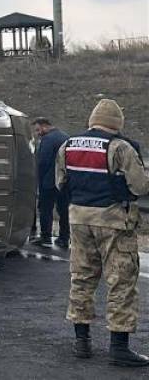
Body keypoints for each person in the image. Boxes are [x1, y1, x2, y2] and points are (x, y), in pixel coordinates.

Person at [57, 99, 149, 365]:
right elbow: (140, 186)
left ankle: (81, 342)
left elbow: (61, 182)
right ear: (116, 124)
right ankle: (119, 348)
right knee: (121, 281)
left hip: (78, 220)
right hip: (113, 222)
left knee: (82, 278)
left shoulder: (68, 145)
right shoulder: (120, 147)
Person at [32, 117, 70, 247]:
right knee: (63, 210)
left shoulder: (47, 139)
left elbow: (43, 161)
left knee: (45, 209)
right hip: (64, 181)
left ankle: (45, 237)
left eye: (38, 130)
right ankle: (64, 238)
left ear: (44, 126)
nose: (37, 133)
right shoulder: (65, 136)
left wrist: (38, 178)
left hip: (48, 181)